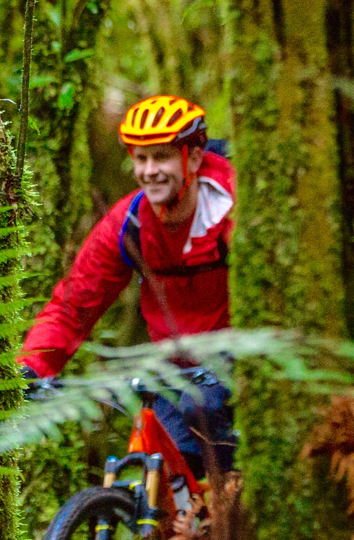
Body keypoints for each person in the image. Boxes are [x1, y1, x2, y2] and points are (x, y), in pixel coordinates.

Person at [18, 94, 237, 477]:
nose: (150, 170)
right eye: (141, 158)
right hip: (174, 374)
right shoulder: (129, 223)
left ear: (195, 158)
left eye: (163, 156)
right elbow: (73, 307)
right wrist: (32, 366)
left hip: (241, 368)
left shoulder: (232, 208)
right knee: (160, 478)